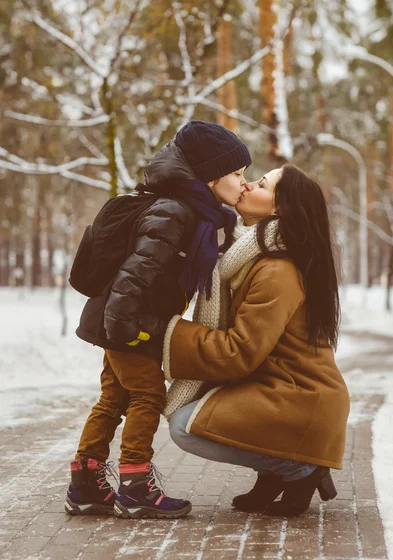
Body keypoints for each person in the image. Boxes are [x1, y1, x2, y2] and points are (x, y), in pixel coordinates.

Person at [64, 120, 252, 519]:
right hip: (128, 323)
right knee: (148, 395)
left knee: (114, 398)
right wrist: (125, 330)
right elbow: (137, 272)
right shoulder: (174, 211)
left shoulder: (191, 212)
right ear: (210, 176)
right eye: (237, 174)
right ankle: (135, 486)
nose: (243, 183)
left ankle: (84, 484)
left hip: (126, 320)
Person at [161, 163, 350, 517]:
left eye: (261, 184)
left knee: (185, 426)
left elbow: (239, 352)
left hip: (300, 397)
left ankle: (300, 470)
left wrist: (166, 333)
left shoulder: (277, 269)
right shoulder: (251, 256)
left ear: (280, 208)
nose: (246, 185)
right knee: (209, 411)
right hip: (282, 388)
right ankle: (274, 472)